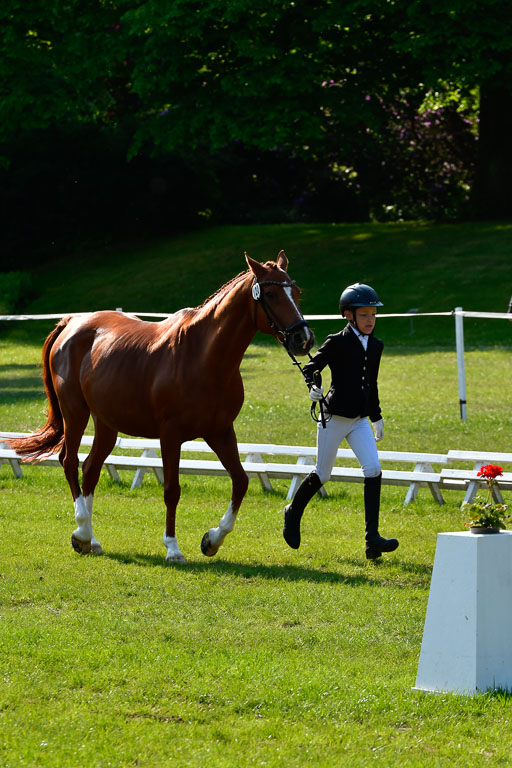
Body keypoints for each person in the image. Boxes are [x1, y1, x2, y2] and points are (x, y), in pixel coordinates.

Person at [282, 282, 399, 560]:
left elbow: (371, 384)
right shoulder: (337, 341)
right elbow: (311, 367)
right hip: (333, 418)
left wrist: (376, 416)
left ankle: (372, 540)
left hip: (359, 420)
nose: (370, 320)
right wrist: (313, 387)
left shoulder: (377, 346)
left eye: (373, 314)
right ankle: (293, 512)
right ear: (348, 315)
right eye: (364, 314)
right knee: (323, 474)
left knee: (373, 469)